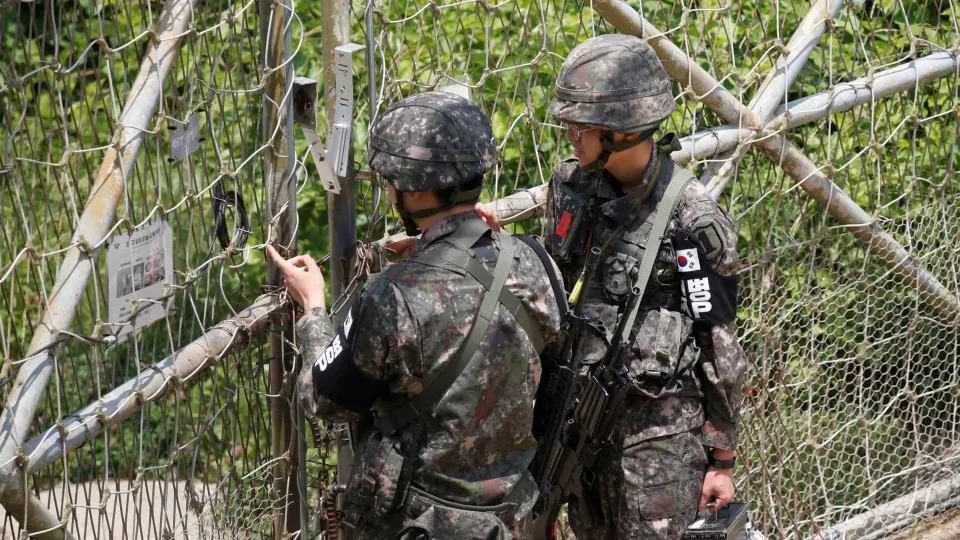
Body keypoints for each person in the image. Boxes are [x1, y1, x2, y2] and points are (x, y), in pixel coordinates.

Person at [478, 34, 749, 539]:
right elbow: (550, 287)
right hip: (576, 429)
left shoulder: (693, 221)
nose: (570, 137)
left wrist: (722, 459)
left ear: (623, 130)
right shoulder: (572, 185)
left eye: (582, 126)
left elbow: (719, 344)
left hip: (657, 447)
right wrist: (495, 248)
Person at [267, 91, 565, 540]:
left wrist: (313, 311)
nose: (389, 192)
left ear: (417, 190)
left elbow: (325, 399)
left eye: (391, 182)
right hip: (510, 518)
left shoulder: (392, 296)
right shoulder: (537, 262)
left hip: (421, 523)